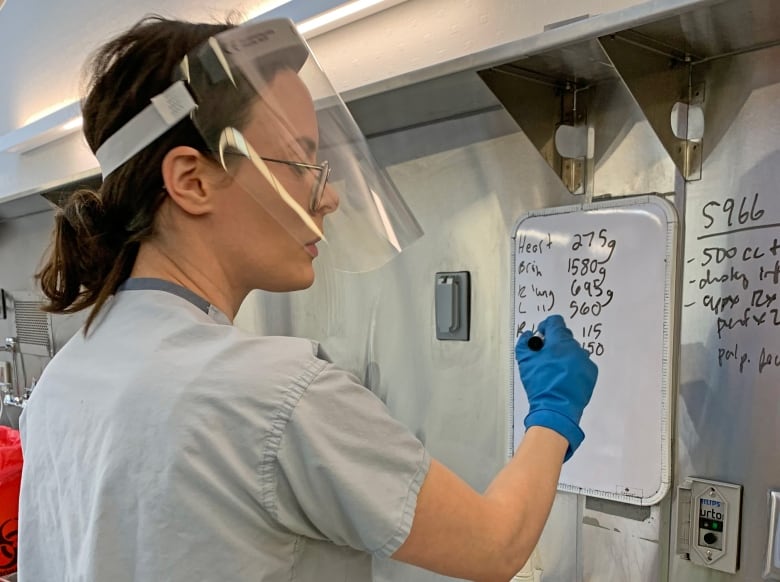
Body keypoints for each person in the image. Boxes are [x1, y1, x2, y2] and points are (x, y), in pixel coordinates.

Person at [17, 15, 597, 582]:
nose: (330, 196)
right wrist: (554, 411)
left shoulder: (62, 385)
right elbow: (495, 545)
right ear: (192, 181)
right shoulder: (273, 395)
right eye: (299, 162)